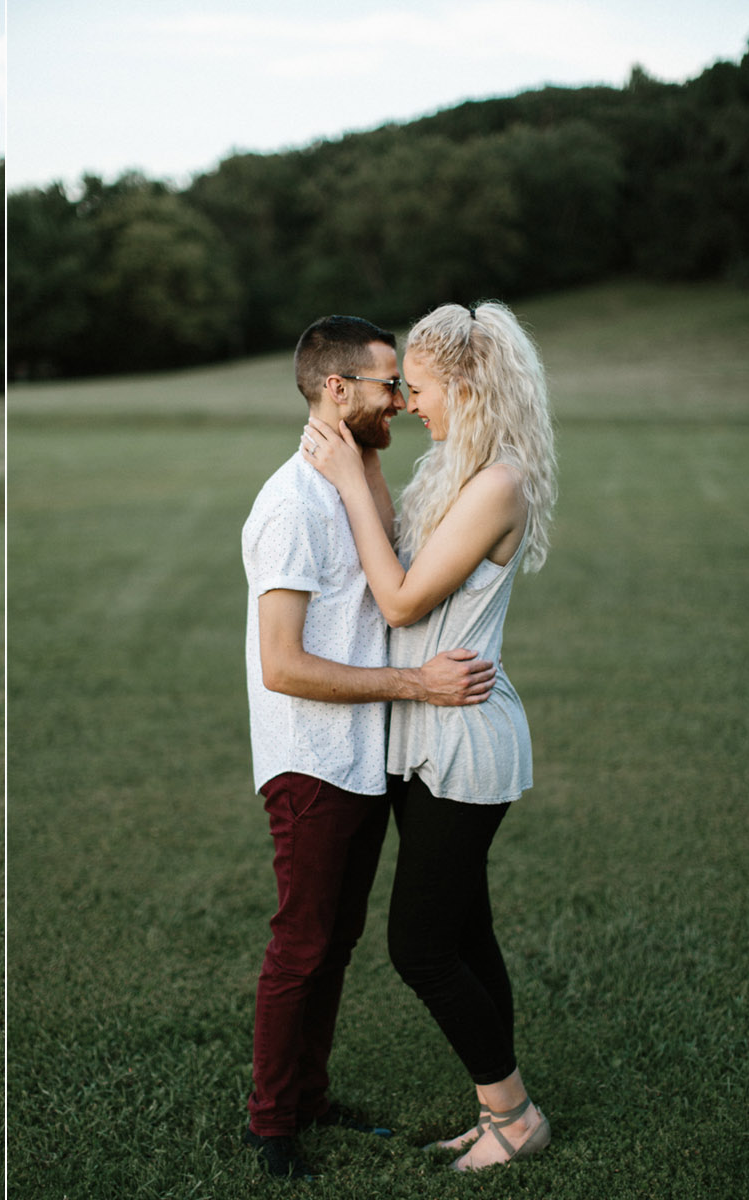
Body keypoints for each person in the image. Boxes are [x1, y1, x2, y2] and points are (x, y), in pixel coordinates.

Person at [301, 300, 557, 1171]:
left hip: (464, 736)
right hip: (425, 724)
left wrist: (345, 483)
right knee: (465, 931)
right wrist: (364, 462)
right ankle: (498, 1112)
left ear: (467, 385)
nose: (408, 401)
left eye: (419, 386)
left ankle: (515, 1117)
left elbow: (402, 600)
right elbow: (404, 568)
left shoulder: (499, 484)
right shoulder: (454, 468)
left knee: (418, 944)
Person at [241, 316, 498, 1181]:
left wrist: (371, 456)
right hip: (309, 760)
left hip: (361, 757)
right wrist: (417, 685)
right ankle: (272, 1125)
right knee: (301, 943)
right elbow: (282, 664)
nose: (401, 397)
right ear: (336, 390)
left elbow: (390, 565)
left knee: (336, 941)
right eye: (388, 384)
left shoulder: (344, 480)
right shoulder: (289, 505)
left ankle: (311, 1098)